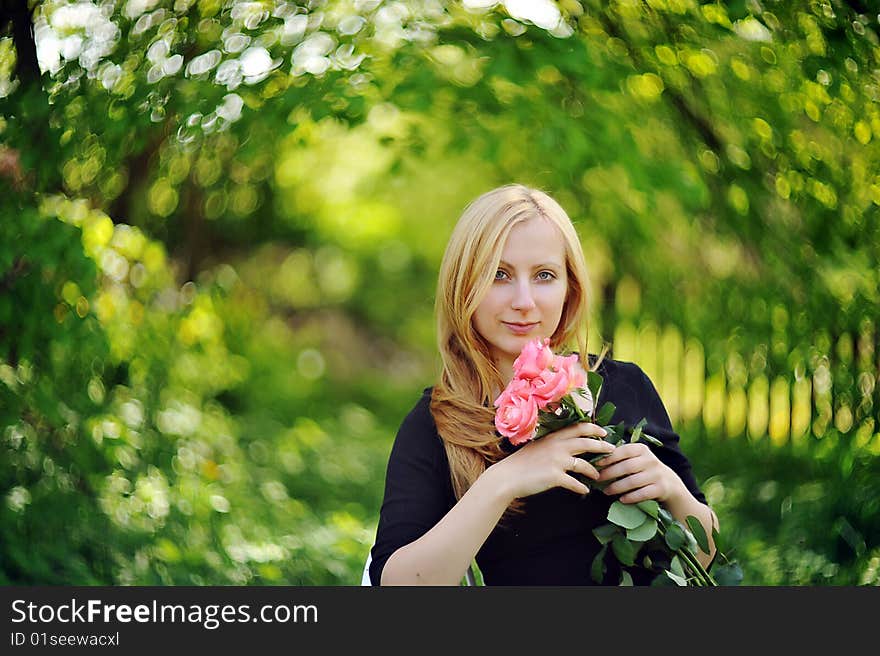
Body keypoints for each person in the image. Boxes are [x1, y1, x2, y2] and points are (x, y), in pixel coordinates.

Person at [369, 183, 718, 585]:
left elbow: (704, 556)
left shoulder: (625, 387)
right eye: (499, 275)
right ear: (464, 285)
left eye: (544, 275)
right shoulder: (439, 422)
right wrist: (503, 481)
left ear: (569, 287)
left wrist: (672, 489)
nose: (524, 300)